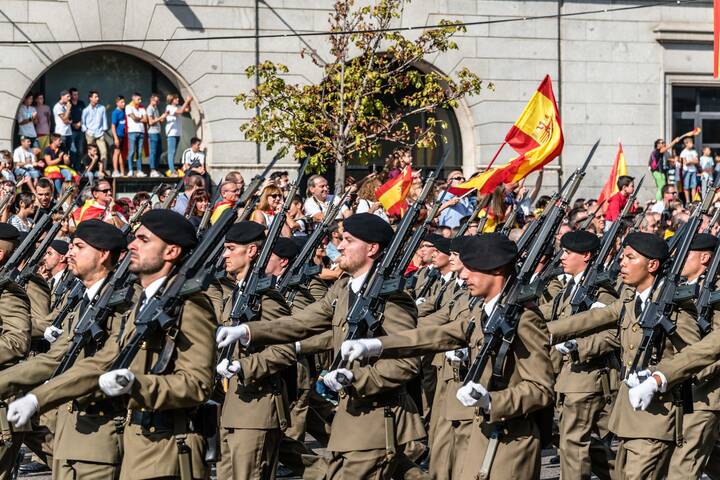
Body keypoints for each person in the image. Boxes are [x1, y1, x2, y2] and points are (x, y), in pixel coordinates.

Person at [7, 210, 217, 480]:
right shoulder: (143, 306)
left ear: (171, 251)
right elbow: (100, 362)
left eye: (143, 239)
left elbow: (197, 383)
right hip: (136, 446)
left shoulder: (192, 305)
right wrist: (37, 399)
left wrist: (135, 384)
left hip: (170, 451)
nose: (132, 245)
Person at [216, 213, 426, 479]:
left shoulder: (391, 298)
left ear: (372, 248)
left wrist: (357, 377)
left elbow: (407, 363)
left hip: (379, 419)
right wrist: (247, 330)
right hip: (349, 419)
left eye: (348, 240)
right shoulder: (342, 290)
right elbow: (301, 323)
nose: (339, 246)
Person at [339, 233, 554, 480]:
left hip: (511, 442)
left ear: (496, 270)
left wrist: (492, 401)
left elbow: (541, 388)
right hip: (482, 432)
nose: (463, 275)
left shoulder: (525, 319)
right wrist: (375, 345)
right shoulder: (484, 311)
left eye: (471, 269)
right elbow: (436, 336)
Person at [548, 232, 699, 480]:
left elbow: (691, 355)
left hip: (658, 415)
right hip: (628, 414)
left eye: (630, 258)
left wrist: (656, 376)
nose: (622, 263)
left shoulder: (674, 307)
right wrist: (542, 333)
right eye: (623, 257)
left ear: (652, 265)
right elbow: (594, 318)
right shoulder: (631, 300)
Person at [0, 220, 127, 479]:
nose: (68, 253)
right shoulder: (89, 304)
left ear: (103, 255)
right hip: (73, 429)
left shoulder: (126, 305)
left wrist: (36, 398)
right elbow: (56, 357)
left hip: (106, 431)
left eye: (78, 247)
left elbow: (93, 364)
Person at [214, 221, 294, 478]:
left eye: (230, 248)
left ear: (250, 251)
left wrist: (243, 365)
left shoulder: (266, 297)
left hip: (257, 410)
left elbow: (285, 350)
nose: (225, 254)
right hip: (232, 407)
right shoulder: (234, 293)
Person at [548, 231, 619, 480]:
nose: (562, 257)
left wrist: (579, 346)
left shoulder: (601, 293)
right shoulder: (570, 288)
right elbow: (550, 314)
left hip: (589, 375)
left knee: (573, 443)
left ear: (586, 256)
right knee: (582, 442)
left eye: (568, 253)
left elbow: (613, 335)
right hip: (567, 375)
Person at [164, 93, 192, 176]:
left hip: (177, 133)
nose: (178, 100)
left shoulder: (178, 107)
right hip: (171, 133)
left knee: (173, 152)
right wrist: (186, 101)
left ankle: (171, 168)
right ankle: (172, 171)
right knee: (171, 152)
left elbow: (187, 110)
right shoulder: (169, 107)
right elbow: (180, 111)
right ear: (172, 100)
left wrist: (189, 102)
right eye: (176, 99)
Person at [81, 90, 108, 174]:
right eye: (95, 97)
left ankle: (102, 170)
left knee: (104, 152)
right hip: (90, 134)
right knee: (90, 153)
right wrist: (86, 131)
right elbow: (82, 123)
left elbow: (104, 120)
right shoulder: (86, 110)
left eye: (97, 96)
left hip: (100, 134)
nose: (97, 98)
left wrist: (104, 129)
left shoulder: (102, 108)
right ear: (90, 98)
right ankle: (89, 170)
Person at [125, 92, 147, 177]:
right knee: (132, 151)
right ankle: (130, 170)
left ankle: (139, 170)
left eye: (140, 99)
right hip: (132, 132)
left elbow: (146, 120)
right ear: (133, 98)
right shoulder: (128, 107)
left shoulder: (142, 108)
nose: (140, 101)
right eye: (138, 99)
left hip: (141, 132)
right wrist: (140, 118)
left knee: (139, 152)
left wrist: (139, 118)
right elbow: (133, 118)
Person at [146, 93, 166, 178]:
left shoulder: (156, 108)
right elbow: (150, 122)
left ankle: (156, 169)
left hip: (157, 132)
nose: (157, 102)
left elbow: (159, 121)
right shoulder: (150, 108)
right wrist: (160, 117)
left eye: (158, 101)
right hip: (152, 132)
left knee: (159, 151)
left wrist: (163, 117)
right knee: (153, 152)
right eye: (155, 101)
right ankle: (152, 169)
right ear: (151, 100)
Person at [68, 88, 86, 170]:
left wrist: (80, 123)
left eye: (77, 94)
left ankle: (77, 168)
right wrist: (73, 124)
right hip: (71, 131)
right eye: (74, 94)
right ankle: (72, 167)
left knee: (80, 150)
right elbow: (66, 117)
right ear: (71, 95)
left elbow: (85, 116)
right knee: (73, 150)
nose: (76, 96)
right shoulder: (68, 104)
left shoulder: (81, 103)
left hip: (80, 130)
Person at [110, 95, 126, 177]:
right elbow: (113, 127)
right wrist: (115, 138)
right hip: (118, 135)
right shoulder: (115, 113)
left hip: (123, 135)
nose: (124, 104)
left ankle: (122, 171)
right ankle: (115, 171)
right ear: (117, 103)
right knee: (116, 152)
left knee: (121, 153)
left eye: (124, 102)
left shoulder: (124, 111)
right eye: (122, 102)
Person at [680, 137, 699, 204]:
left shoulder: (694, 151)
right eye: (691, 143)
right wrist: (692, 161)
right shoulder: (683, 152)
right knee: (686, 186)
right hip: (686, 171)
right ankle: (688, 201)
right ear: (686, 144)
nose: (692, 144)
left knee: (693, 186)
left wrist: (690, 161)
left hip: (693, 171)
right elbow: (685, 163)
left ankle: (693, 201)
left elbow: (697, 161)